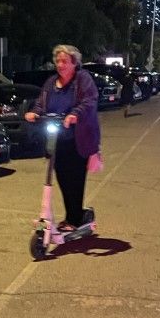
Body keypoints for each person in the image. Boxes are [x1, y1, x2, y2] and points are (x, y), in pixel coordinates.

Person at [24, 44, 100, 231]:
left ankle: (75, 219)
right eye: (57, 61)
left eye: (64, 61)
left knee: (75, 179)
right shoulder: (51, 82)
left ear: (74, 62)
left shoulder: (83, 79)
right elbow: (41, 103)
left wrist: (75, 114)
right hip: (57, 138)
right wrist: (34, 112)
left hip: (78, 137)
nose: (60, 64)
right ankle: (73, 215)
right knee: (62, 178)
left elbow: (90, 100)